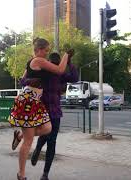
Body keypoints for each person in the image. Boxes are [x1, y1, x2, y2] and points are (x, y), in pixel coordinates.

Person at [8, 37, 71, 180]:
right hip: (28, 102)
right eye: (46, 50)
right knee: (29, 142)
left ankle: (20, 136)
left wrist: (30, 81)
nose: (47, 53)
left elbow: (22, 79)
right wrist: (67, 54)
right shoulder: (39, 60)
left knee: (47, 128)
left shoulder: (32, 61)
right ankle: (21, 174)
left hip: (34, 102)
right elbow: (60, 69)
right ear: (39, 50)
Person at [30, 52, 78, 180]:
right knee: (51, 141)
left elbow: (24, 81)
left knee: (46, 135)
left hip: (44, 111)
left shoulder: (44, 73)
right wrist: (69, 63)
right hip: (53, 112)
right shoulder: (59, 74)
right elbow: (74, 77)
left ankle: (38, 149)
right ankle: (45, 174)